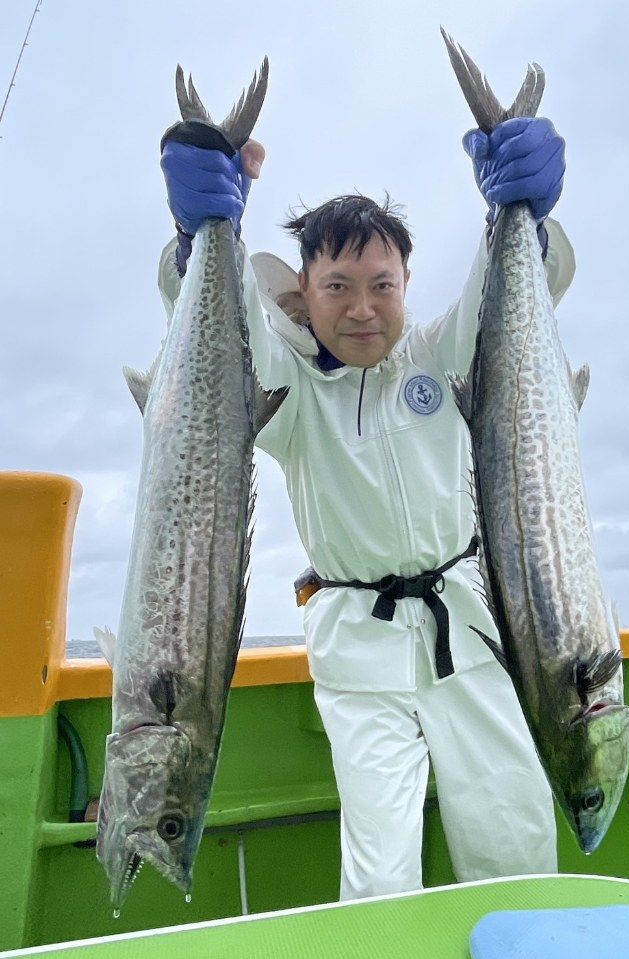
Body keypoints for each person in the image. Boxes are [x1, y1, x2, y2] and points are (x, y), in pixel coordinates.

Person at [159, 114, 574, 900]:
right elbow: (218, 329)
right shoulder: (287, 388)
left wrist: (526, 216)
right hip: (357, 653)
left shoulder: (440, 354)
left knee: (515, 842)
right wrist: (198, 239)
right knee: (380, 873)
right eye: (338, 288)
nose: (361, 309)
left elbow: (520, 295)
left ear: (406, 285)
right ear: (303, 293)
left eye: (381, 286)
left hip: (470, 632)